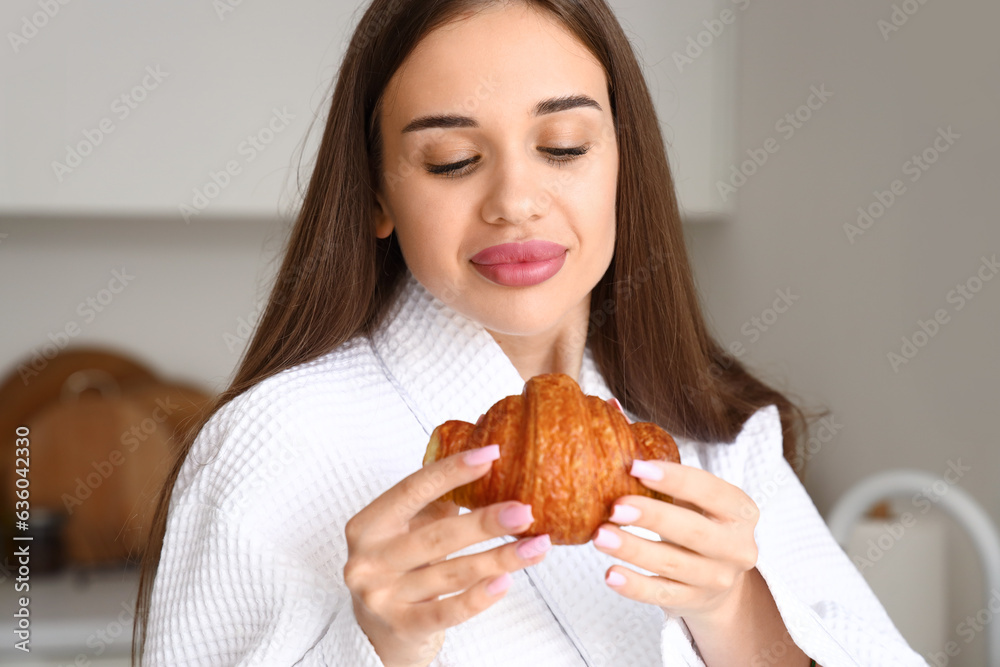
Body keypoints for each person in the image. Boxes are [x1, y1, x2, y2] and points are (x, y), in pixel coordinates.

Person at [133, 1, 926, 665]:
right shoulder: (273, 440)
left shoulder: (713, 438)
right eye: (451, 159)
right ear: (378, 195)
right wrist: (377, 646)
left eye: (563, 147)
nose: (516, 199)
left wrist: (731, 609)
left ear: (622, 163)